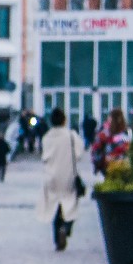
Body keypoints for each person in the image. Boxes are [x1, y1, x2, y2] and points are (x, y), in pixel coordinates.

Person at [38, 107, 87, 251]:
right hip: (68, 176)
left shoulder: (47, 137)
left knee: (55, 208)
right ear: (64, 120)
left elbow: (44, 157)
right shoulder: (71, 136)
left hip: (51, 177)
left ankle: (57, 238)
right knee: (70, 206)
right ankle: (65, 228)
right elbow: (79, 154)